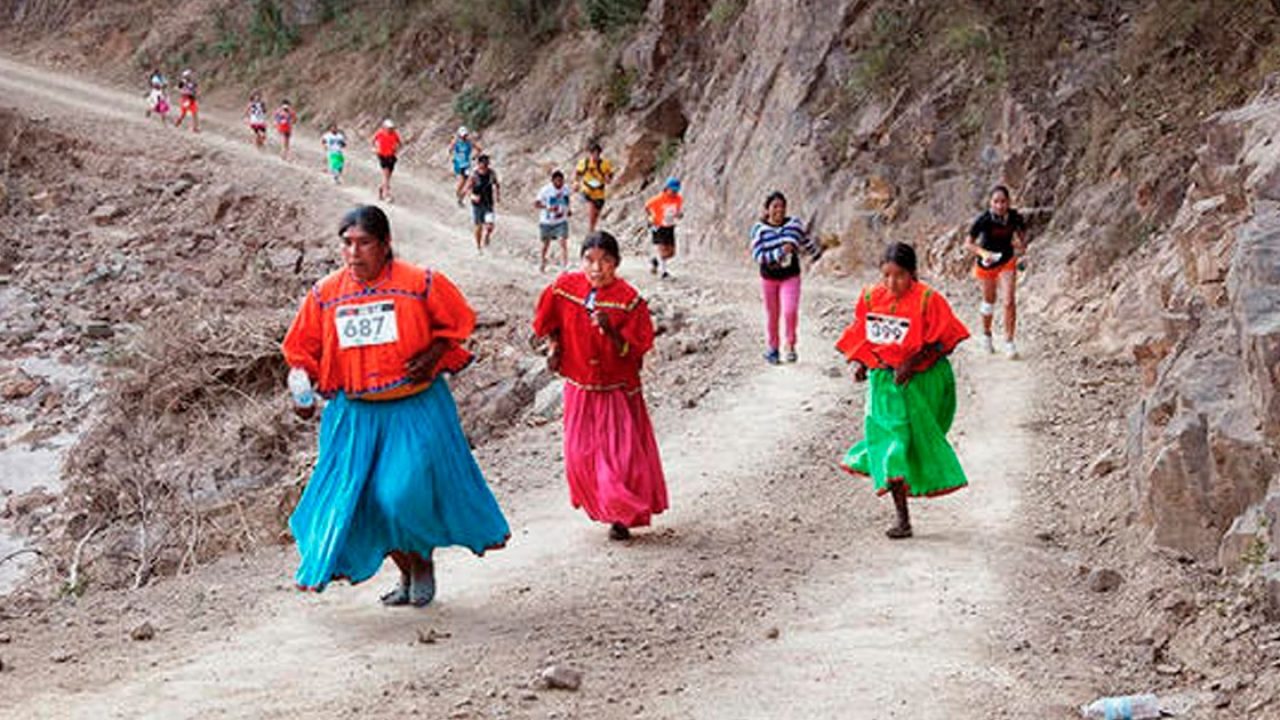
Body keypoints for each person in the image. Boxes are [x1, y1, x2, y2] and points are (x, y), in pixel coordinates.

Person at [282, 205, 510, 606]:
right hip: (354, 416)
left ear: (385, 245)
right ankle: (406, 572)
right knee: (364, 503)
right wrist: (300, 389)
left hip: (413, 409)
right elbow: (300, 352)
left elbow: (457, 324)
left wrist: (436, 350)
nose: (354, 253)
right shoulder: (325, 294)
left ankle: (421, 560)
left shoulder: (420, 283)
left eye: (364, 243)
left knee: (399, 494)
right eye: (347, 243)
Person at [532, 231, 667, 541]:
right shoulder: (565, 288)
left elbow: (635, 350)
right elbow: (548, 323)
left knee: (619, 458)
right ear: (581, 262)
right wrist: (554, 348)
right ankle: (605, 504)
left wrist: (611, 331)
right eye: (589, 260)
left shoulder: (629, 300)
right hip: (580, 387)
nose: (596, 268)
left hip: (616, 390)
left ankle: (620, 516)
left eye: (605, 261)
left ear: (616, 263)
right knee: (579, 455)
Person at [835, 242, 970, 539]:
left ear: (913, 274)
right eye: (886, 275)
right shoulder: (871, 297)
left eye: (899, 276)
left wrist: (913, 362)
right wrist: (861, 361)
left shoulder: (928, 300)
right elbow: (864, 333)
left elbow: (944, 341)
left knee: (910, 441)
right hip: (884, 382)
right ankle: (902, 518)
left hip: (920, 383)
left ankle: (906, 500)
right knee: (891, 442)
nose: (891, 283)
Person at [749, 191, 821, 364]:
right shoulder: (759, 230)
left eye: (782, 206)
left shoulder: (794, 225)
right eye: (774, 206)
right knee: (772, 315)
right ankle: (773, 349)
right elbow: (758, 256)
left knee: (790, 311)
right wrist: (780, 252)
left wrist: (816, 254)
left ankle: (790, 345)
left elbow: (805, 240)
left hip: (790, 276)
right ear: (767, 210)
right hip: (769, 278)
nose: (778, 210)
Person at [965, 185, 1028, 358]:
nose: (1000, 205)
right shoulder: (983, 220)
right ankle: (986, 334)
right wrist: (984, 253)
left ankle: (1009, 342)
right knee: (989, 302)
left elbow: (1023, 235)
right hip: (986, 263)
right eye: (996, 202)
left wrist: (1021, 247)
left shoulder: (1015, 217)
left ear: (1009, 202)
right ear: (990, 203)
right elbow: (969, 243)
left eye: (1003, 201)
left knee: (1009, 301)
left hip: (1007, 261)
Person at [644, 177, 684, 279]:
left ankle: (655, 260)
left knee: (671, 252)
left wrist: (679, 215)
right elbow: (647, 207)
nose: (674, 193)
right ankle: (664, 272)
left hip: (670, 226)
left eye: (676, 190)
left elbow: (677, 212)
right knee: (662, 249)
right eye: (673, 190)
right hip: (658, 225)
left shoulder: (678, 199)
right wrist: (650, 217)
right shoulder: (659, 199)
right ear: (666, 188)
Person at [534, 169, 572, 272]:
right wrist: (547, 207)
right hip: (547, 221)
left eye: (561, 181)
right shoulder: (545, 190)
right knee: (545, 244)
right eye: (558, 181)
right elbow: (536, 204)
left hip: (561, 221)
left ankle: (564, 266)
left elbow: (567, 199)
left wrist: (568, 209)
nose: (560, 183)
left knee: (562, 242)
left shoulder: (565, 189)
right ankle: (542, 262)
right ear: (553, 181)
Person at [573, 142, 615, 233]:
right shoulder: (584, 163)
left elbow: (610, 175)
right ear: (590, 153)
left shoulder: (605, 164)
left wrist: (608, 178)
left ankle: (592, 227)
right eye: (594, 153)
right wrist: (576, 183)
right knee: (592, 208)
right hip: (587, 189)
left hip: (599, 192)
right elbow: (578, 174)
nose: (595, 156)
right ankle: (591, 230)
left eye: (597, 154)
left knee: (596, 213)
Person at [462, 154, 499, 253]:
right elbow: (467, 188)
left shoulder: (492, 173)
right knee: (479, 226)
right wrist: (471, 196)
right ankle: (478, 246)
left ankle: (487, 236)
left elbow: (496, 184)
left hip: (488, 203)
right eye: (483, 163)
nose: (486, 165)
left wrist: (498, 195)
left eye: (487, 163)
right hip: (477, 204)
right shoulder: (474, 175)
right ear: (479, 164)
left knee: (490, 225)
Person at [372, 119, 402, 202]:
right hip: (382, 156)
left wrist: (396, 148)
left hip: (391, 157)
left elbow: (399, 143)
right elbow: (373, 141)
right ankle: (387, 195)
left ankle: (381, 189)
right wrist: (375, 149)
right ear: (384, 127)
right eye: (389, 128)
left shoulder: (394, 134)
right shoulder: (380, 134)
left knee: (388, 177)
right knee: (386, 176)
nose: (390, 129)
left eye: (392, 128)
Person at [449, 126, 480, 207]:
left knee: (467, 180)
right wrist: (453, 157)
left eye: (465, 135)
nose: (464, 137)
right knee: (465, 180)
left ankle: (460, 195)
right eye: (462, 135)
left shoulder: (469, 142)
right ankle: (460, 196)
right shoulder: (456, 142)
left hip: (466, 164)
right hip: (459, 164)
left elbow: (479, 149)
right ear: (459, 135)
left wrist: (474, 156)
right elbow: (450, 150)